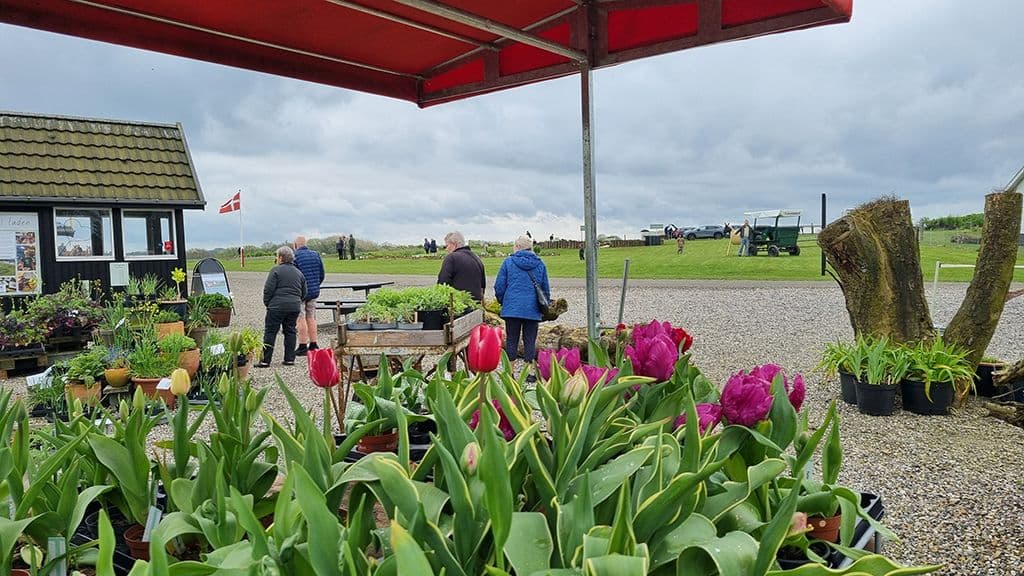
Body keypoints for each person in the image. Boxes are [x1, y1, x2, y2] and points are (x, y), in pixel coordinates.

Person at [494, 235, 550, 367]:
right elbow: (545, 288)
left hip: (512, 308)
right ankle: (528, 370)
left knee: (511, 340)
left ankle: (510, 370)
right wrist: (544, 304)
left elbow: (499, 286)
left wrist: (504, 301)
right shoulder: (540, 264)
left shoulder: (508, 262)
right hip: (532, 308)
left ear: (518, 247)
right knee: (530, 340)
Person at [257, 245, 306, 367]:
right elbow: (304, 292)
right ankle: (289, 358)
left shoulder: (275, 271)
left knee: (270, 332)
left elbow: (268, 289)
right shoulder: (299, 273)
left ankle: (265, 360)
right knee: (290, 331)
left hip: (276, 306)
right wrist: (297, 301)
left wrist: (268, 303)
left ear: (281, 257)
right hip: (294, 306)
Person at [292, 235, 325, 357]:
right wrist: (316, 284)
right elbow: (321, 273)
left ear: (295, 245)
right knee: (311, 317)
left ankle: (302, 345)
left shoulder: (295, 256)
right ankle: (313, 343)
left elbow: (294, 276)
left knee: (300, 318)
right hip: (313, 291)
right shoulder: (316, 254)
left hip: (300, 292)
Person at [437, 231, 485, 302]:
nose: (446, 249)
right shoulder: (477, 259)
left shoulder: (451, 258)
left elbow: (443, 283)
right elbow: (482, 287)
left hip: (458, 303)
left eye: (446, 246)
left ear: (454, 244)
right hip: (475, 304)